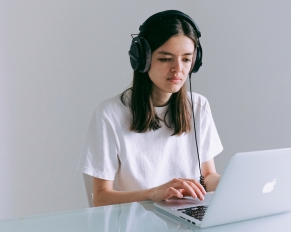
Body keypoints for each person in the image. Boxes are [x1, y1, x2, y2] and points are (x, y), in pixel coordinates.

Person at [77, 10, 223, 207]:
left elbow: (207, 176)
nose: (178, 69)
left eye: (186, 59)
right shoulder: (109, 115)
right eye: (165, 58)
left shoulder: (198, 106)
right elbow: (101, 198)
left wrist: (230, 184)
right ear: (142, 59)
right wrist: (153, 193)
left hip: (186, 222)